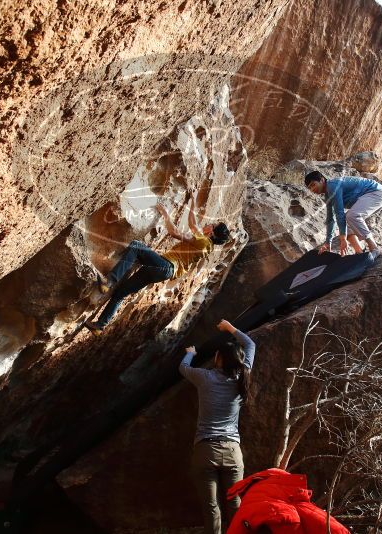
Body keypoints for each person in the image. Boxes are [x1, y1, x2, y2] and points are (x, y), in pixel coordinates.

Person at [86, 194, 230, 333]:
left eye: (211, 224)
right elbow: (193, 225)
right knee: (120, 293)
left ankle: (109, 281)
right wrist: (191, 201)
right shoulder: (206, 246)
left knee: (136, 246)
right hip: (163, 272)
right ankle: (100, 325)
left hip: (165, 265)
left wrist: (166, 214)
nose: (208, 224)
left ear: (212, 232)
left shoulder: (203, 241)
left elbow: (175, 231)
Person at [180, 319, 255, 534]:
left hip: (205, 451)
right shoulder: (243, 376)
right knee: (236, 504)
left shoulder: (206, 377)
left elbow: (183, 368)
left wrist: (191, 353)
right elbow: (250, 345)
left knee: (211, 507)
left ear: (218, 358)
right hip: (232, 451)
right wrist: (231, 328)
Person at [304, 171, 382, 257]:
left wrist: (343, 238)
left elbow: (339, 212)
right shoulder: (328, 195)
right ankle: (359, 252)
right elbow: (330, 219)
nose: (312, 189)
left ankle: (374, 247)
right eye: (309, 188)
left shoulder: (333, 186)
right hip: (370, 197)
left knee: (351, 216)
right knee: (346, 223)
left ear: (322, 180)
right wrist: (327, 242)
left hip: (376, 193)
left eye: (313, 185)